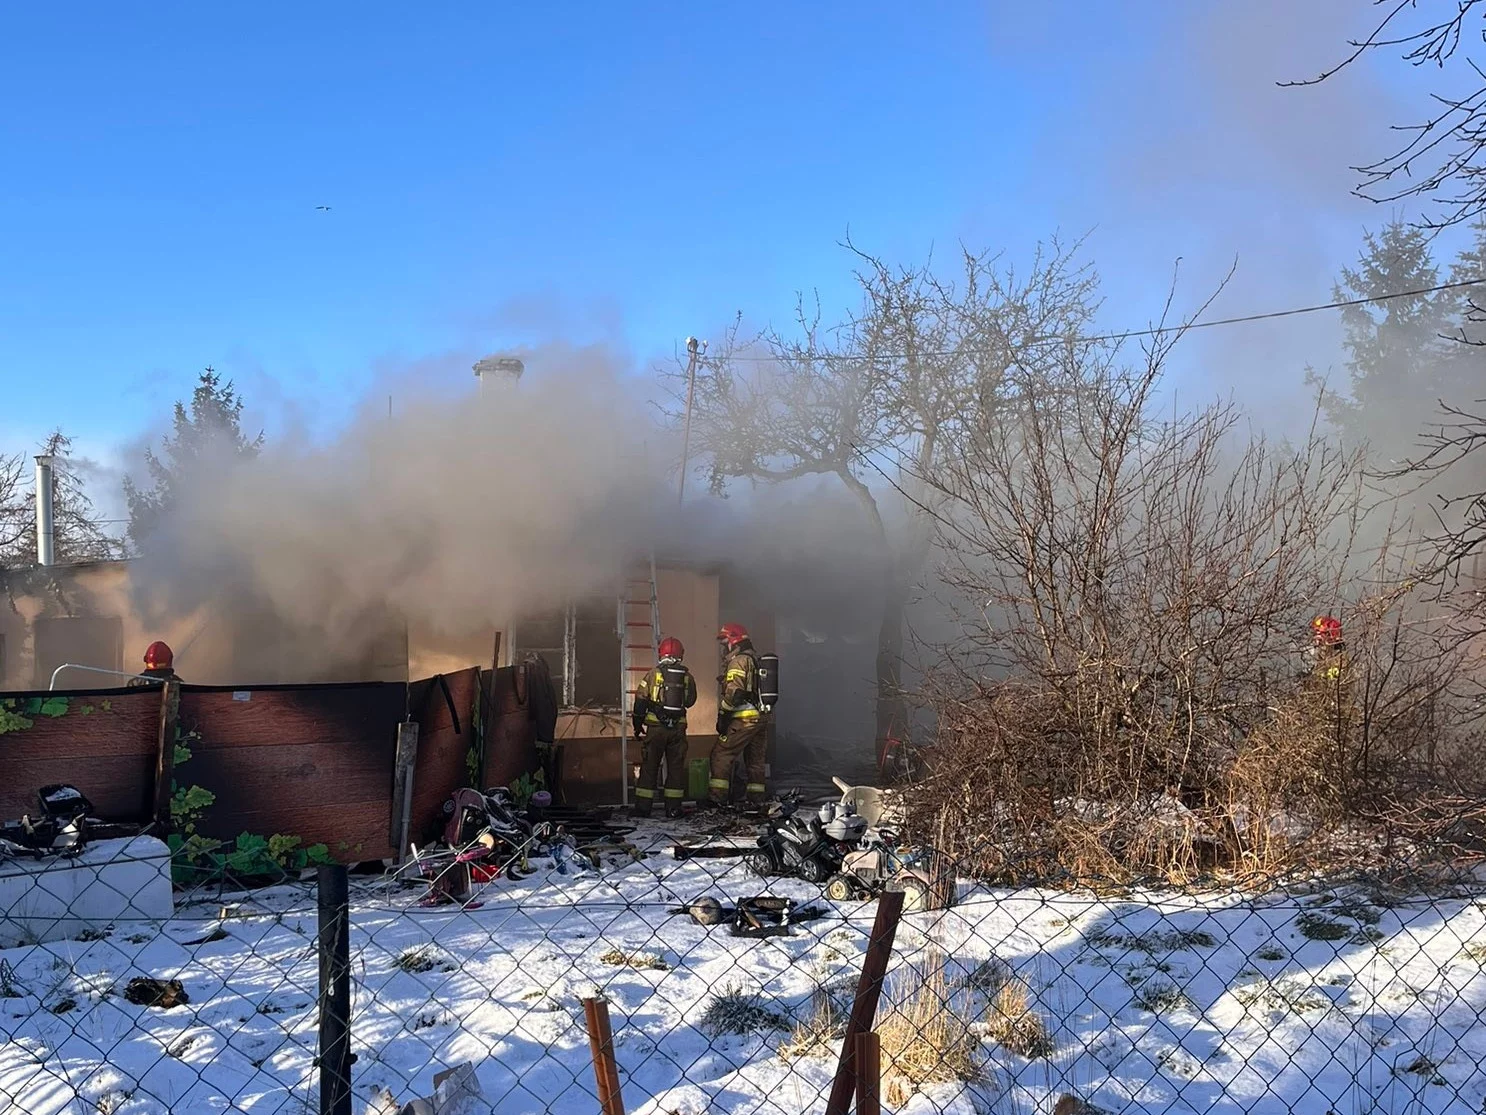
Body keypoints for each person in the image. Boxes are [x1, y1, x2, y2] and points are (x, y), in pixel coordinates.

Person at [631, 637, 697, 819]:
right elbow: (691, 701)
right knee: (675, 769)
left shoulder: (652, 674)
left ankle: (643, 809)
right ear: (680, 655)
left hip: (655, 729)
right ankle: (673, 809)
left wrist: (637, 726)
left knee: (650, 767)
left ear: (661, 653)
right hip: (678, 730)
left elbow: (640, 702)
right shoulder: (687, 676)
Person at [710, 622, 770, 812]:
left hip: (744, 718)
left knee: (722, 754)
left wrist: (723, 715)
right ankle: (756, 799)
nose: (723, 647)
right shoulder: (754, 659)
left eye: (725, 642)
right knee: (755, 761)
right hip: (760, 718)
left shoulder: (738, 661)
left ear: (733, 640)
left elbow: (734, 693)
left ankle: (717, 799)